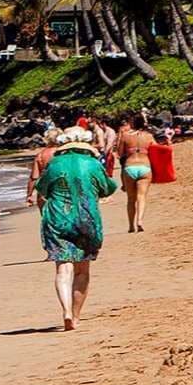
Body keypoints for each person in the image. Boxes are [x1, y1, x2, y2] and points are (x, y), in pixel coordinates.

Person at [33, 122, 119, 331]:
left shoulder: (55, 164)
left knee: (63, 269)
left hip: (57, 219)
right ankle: (77, 316)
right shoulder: (92, 164)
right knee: (82, 271)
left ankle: (66, 311)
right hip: (86, 219)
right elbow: (108, 188)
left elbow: (41, 188)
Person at [111, 113, 151, 231]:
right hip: (145, 167)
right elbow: (156, 150)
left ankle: (130, 226)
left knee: (131, 199)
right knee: (142, 196)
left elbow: (119, 153)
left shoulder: (125, 136)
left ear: (132, 123)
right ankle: (140, 220)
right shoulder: (148, 136)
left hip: (130, 167)